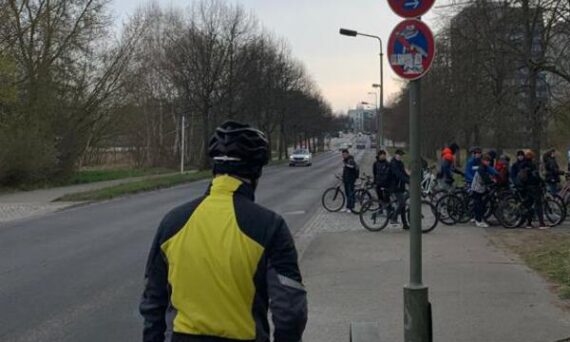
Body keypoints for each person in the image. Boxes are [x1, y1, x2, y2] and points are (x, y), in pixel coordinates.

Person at [139, 121, 308, 342]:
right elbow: (289, 310)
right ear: (256, 171)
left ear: (214, 169)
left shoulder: (173, 222)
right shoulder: (270, 226)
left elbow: (153, 303)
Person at [518, 150, 548, 229]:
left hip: (526, 187)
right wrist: (542, 182)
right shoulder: (531, 165)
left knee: (529, 205)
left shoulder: (522, 164)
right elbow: (536, 176)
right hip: (534, 187)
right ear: (532, 157)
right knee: (538, 204)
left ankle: (529, 223)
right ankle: (541, 224)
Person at [470, 154, 495, 228]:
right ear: (483, 161)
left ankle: (476, 218)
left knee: (478, 203)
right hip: (477, 188)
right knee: (479, 204)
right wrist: (492, 181)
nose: (488, 162)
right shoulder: (481, 168)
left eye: (488, 161)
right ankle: (478, 221)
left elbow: (489, 173)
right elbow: (485, 178)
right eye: (486, 161)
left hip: (479, 188)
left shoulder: (484, 167)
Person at [389, 149, 410, 229]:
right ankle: (393, 218)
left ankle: (405, 224)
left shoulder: (400, 163)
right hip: (394, 187)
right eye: (399, 155)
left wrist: (410, 178)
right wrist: (408, 180)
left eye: (401, 155)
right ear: (396, 155)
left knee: (403, 206)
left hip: (400, 186)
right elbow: (398, 175)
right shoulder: (393, 163)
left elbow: (404, 173)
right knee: (402, 203)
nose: (400, 157)